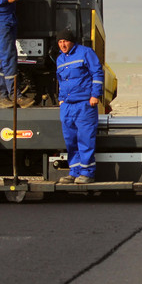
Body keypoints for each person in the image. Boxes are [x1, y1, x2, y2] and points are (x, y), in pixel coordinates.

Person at [55, 27, 104, 185]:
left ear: (72, 42)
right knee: (70, 140)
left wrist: (95, 95)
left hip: (84, 104)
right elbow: (61, 82)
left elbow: (97, 73)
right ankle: (74, 172)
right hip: (67, 106)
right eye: (60, 42)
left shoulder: (85, 52)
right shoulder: (60, 59)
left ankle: (87, 173)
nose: (63, 45)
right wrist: (61, 100)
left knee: (85, 139)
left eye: (65, 41)